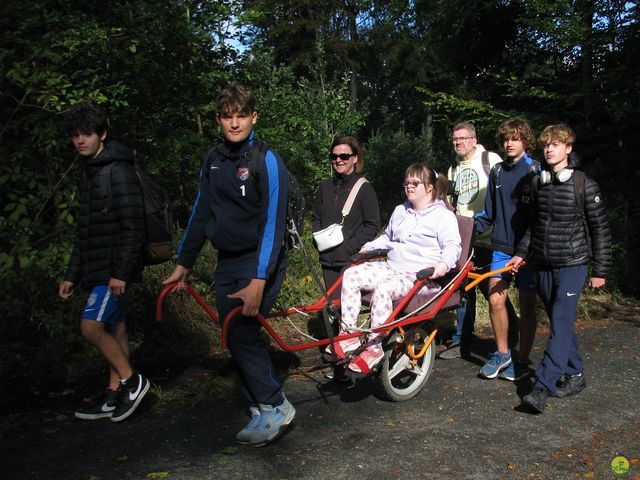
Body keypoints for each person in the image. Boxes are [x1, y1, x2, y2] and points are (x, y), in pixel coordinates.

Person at [162, 83, 295, 447]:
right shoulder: (212, 160)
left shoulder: (266, 159)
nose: (234, 123)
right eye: (227, 116)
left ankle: (275, 405)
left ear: (254, 117)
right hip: (227, 260)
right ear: (218, 119)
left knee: (241, 329)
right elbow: (200, 213)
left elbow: (273, 224)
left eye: (241, 115)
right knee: (232, 331)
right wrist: (183, 263)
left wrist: (259, 280)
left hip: (260, 260)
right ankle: (258, 402)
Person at [510, 124, 611, 413]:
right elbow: (534, 226)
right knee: (559, 324)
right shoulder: (538, 183)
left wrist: (600, 270)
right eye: (546, 145)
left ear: (568, 148)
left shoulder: (584, 185)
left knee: (561, 323)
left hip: (573, 264)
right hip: (542, 263)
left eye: (557, 144)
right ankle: (576, 373)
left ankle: (542, 386)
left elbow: (600, 229)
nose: (550, 149)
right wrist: (521, 253)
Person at [59, 105, 150, 422]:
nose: (80, 140)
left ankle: (133, 381)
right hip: (98, 269)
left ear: (102, 134)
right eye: (75, 135)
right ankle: (114, 394)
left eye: (86, 134)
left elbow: (133, 227)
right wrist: (72, 275)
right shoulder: (90, 172)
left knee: (91, 327)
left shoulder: (117, 171)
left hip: (112, 272)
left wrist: (120, 273)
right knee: (116, 327)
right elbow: (85, 233)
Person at [327, 163, 461, 375]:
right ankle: (349, 335)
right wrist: (368, 248)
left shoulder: (443, 217)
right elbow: (388, 238)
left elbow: (453, 247)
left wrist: (442, 265)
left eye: (415, 183)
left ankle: (374, 347)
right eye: (407, 182)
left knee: (384, 287)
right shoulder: (401, 211)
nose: (409, 186)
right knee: (351, 274)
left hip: (421, 276)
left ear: (429, 187)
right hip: (393, 266)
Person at [439, 122, 519, 361]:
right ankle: (461, 341)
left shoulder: (490, 159)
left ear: (474, 139)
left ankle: (512, 332)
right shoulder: (453, 169)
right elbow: (453, 201)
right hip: (464, 238)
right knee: (462, 289)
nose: (458, 142)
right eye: (455, 139)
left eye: (463, 138)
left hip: (490, 237)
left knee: (491, 288)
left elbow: (505, 192)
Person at [474, 118, 540, 381]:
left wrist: (526, 250)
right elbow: (487, 214)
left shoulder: (535, 170)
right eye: (506, 139)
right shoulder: (498, 172)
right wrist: (464, 232)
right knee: (495, 299)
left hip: (528, 252)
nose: (510, 143)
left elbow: (540, 217)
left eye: (515, 138)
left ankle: (521, 360)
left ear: (525, 140)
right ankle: (503, 353)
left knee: (526, 307)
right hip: (501, 248)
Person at [312, 136, 380, 382]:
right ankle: (339, 360)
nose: (338, 160)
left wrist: (350, 249)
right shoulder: (324, 187)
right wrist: (317, 237)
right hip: (327, 259)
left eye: (344, 156)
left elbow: (372, 225)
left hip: (350, 262)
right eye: (334, 156)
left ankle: (347, 362)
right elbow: (317, 217)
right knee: (332, 310)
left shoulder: (364, 188)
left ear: (355, 159)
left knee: (347, 312)